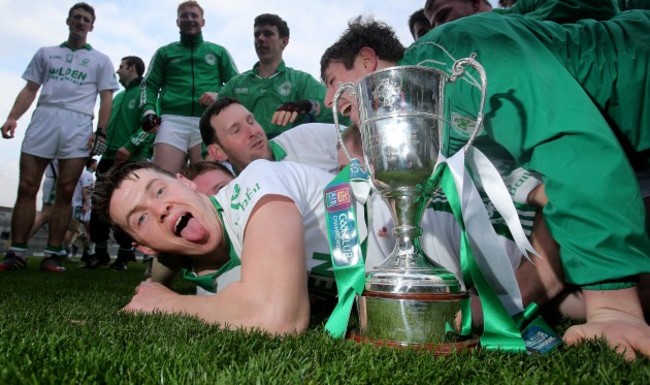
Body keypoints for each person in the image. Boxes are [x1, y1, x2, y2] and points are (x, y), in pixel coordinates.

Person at [320, 14, 650, 360]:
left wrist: (613, 306)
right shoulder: (437, 133)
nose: (329, 99)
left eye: (332, 81)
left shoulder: (446, 58)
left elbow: (566, 140)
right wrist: (501, 304)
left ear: (368, 61)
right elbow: (550, 198)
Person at [92, 159, 343, 334]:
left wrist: (165, 302)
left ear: (187, 183)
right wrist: (154, 283)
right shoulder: (213, 286)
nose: (160, 209)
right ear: (145, 248)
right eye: (141, 218)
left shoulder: (255, 183)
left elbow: (278, 319)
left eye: (159, 191)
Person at [0, 2, 118, 272]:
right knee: (27, 186)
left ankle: (53, 253)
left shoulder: (101, 60)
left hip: (77, 123)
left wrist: (100, 130)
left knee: (67, 191)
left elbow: (106, 97)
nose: (80, 22)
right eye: (76, 17)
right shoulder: (46, 53)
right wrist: (12, 117)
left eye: (85, 19)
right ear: (68, 21)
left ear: (92, 26)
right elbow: (30, 89)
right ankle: (16, 252)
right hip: (44, 118)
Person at [140, 1, 239, 175]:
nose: (189, 19)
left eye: (194, 15)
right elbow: (149, 85)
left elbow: (237, 85)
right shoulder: (165, 53)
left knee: (209, 180)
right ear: (177, 22)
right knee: (164, 178)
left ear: (203, 21)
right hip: (172, 121)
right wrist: (148, 110)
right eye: (184, 16)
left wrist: (220, 96)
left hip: (208, 119)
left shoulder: (218, 52)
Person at [84, 55, 155, 271]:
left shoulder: (144, 91)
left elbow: (152, 124)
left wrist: (130, 146)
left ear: (132, 68)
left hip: (131, 159)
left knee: (127, 206)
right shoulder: (116, 97)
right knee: (99, 206)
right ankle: (100, 253)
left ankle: (124, 256)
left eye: (121, 67)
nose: (117, 71)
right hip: (107, 159)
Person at [217, 13, 337, 139]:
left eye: (268, 34)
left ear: (284, 41)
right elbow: (215, 121)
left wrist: (308, 105)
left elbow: (336, 112)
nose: (260, 39)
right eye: (256, 35)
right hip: (246, 154)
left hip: (291, 152)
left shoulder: (301, 81)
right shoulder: (234, 85)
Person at [201, 98, 340, 175]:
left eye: (251, 121)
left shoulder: (309, 136)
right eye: (236, 130)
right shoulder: (232, 200)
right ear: (218, 152)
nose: (253, 131)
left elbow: (360, 138)